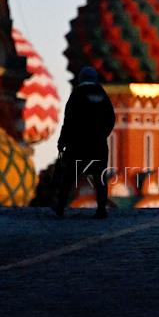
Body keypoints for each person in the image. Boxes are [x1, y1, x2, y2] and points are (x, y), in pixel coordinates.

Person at [55, 66, 116, 219]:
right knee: (100, 178)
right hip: (98, 146)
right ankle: (101, 209)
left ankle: (60, 207)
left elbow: (68, 121)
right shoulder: (103, 95)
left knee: (69, 177)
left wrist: (63, 141)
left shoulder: (77, 95)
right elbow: (111, 119)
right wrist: (101, 135)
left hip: (77, 145)